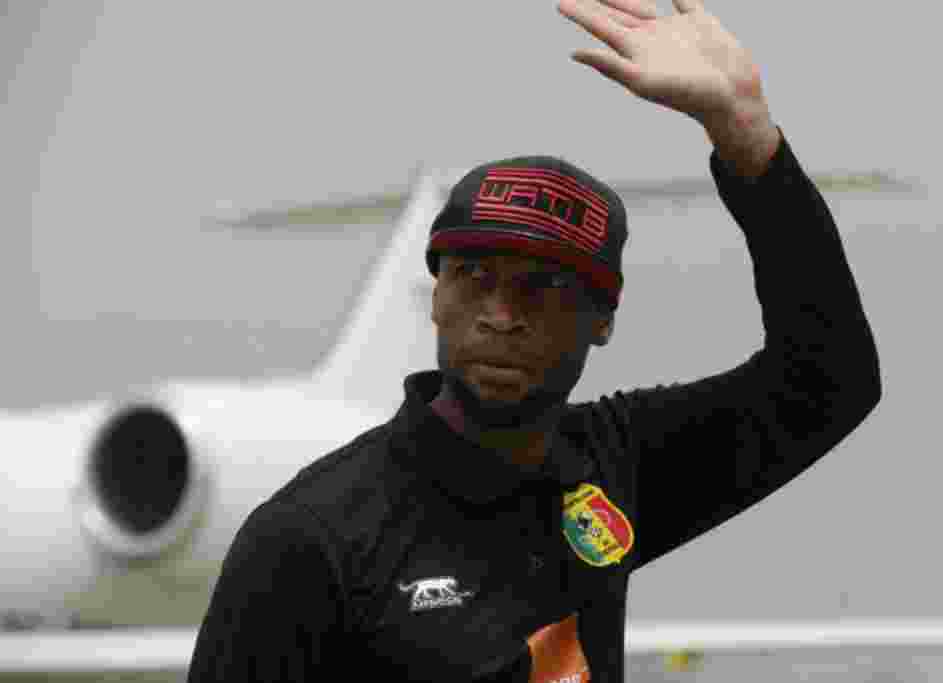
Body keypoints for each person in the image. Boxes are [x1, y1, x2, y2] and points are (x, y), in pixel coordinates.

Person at [187, 0, 882, 681]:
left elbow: (830, 378)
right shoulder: (309, 539)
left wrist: (745, 131)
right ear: (438, 296)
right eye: (473, 277)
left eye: (539, 288)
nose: (499, 313)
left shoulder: (614, 466)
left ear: (603, 317)